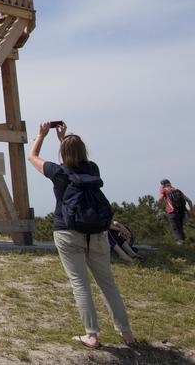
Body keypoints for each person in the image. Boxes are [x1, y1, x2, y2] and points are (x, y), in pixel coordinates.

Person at [28, 121, 134, 348]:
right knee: (108, 284)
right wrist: (64, 139)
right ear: (84, 152)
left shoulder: (58, 173)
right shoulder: (93, 169)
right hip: (97, 233)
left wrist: (41, 135)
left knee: (80, 283)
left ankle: (92, 335)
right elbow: (76, 162)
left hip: (68, 232)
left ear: (62, 153)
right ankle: (126, 333)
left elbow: (32, 156)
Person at [158, 179, 193, 244]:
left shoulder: (164, 190)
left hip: (172, 212)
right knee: (180, 228)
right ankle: (185, 245)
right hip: (182, 212)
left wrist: (160, 193)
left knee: (176, 229)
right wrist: (191, 213)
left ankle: (180, 244)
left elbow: (160, 201)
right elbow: (189, 201)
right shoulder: (177, 190)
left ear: (163, 185)